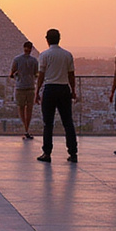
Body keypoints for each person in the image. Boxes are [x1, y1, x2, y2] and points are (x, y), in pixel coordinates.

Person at [35, 28, 78, 163]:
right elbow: (71, 75)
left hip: (50, 89)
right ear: (59, 38)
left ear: (47, 39)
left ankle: (47, 153)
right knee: (68, 123)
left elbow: (41, 75)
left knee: (48, 123)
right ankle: (73, 152)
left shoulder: (44, 55)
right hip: (64, 89)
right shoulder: (67, 55)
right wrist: (73, 90)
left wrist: (37, 92)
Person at [9, 41, 39, 139]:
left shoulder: (17, 59)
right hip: (30, 86)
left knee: (21, 108)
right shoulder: (34, 61)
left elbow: (12, 73)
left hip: (20, 86)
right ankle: (27, 129)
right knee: (29, 109)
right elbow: (36, 73)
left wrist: (16, 75)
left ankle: (25, 128)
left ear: (23, 48)